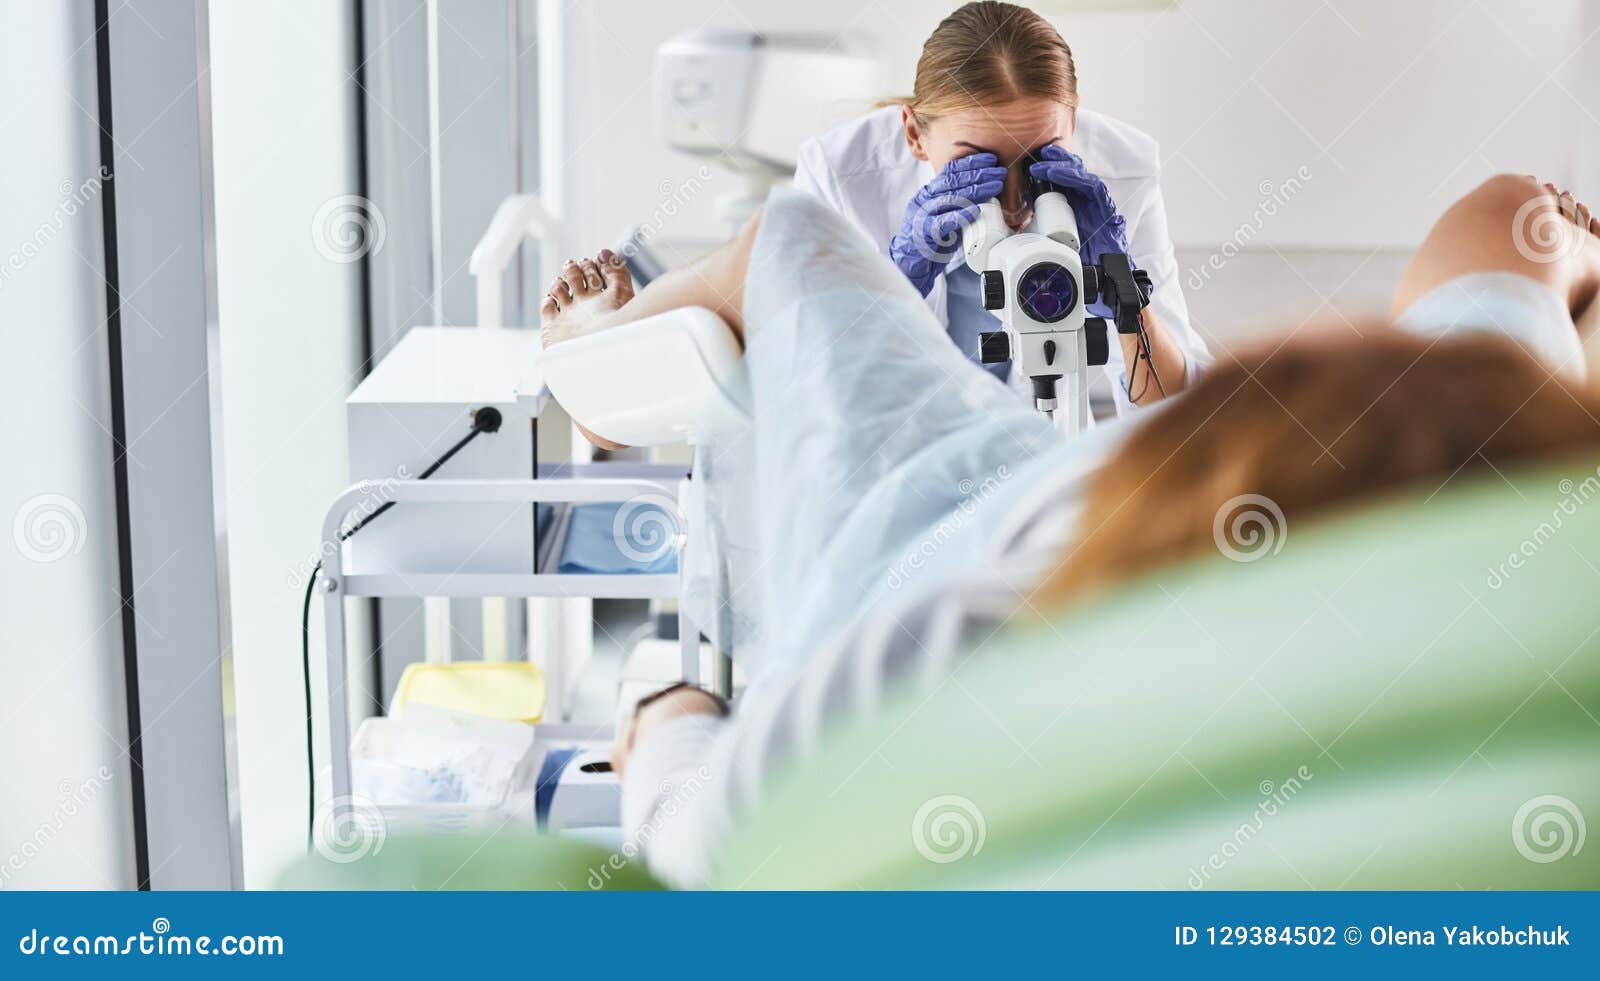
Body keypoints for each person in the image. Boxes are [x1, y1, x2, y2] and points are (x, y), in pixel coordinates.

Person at [540, 172, 1600, 887]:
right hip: (1181, 480)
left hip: (939, 512)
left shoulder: (938, 664)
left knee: (790, 238)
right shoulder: (1492, 433)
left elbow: (699, 847)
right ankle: (599, 354)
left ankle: (594, 359)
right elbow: (1517, 217)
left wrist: (661, 707)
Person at [794, 0, 1207, 410]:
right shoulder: (839, 176)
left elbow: (1177, 418)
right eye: (977, 163)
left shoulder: (1122, 173)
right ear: (914, 134)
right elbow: (806, 393)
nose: (1013, 204)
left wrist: (1127, 301)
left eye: (1038, 158)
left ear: (1073, 124)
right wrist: (891, 289)